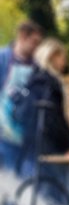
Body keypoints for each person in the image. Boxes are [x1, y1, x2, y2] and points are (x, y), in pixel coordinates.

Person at [19, 37, 69, 205]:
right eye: (62, 57)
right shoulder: (49, 83)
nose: (64, 62)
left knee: (40, 191)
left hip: (33, 144)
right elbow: (54, 118)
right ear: (52, 56)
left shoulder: (34, 80)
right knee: (57, 189)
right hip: (49, 146)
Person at [0, 20, 44, 172]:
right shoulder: (3, 59)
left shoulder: (38, 66)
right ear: (22, 36)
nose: (37, 47)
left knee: (28, 182)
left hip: (28, 134)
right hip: (4, 133)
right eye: (34, 42)